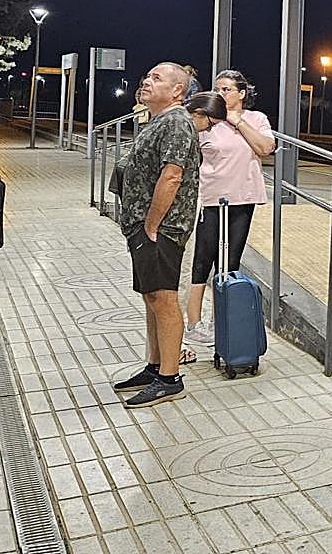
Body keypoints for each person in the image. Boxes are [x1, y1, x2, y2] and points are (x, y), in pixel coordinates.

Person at [111, 65, 223, 408]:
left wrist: (153, 225)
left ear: (178, 91)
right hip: (146, 226)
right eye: (147, 76)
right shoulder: (158, 120)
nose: (147, 80)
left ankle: (170, 378)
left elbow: (172, 176)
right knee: (151, 297)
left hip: (161, 228)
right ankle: (155, 366)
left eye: (157, 78)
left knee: (163, 297)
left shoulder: (176, 122)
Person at [182, 69, 275, 353]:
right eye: (218, 89)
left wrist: (238, 121)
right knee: (202, 262)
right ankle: (193, 324)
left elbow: (266, 148)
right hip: (211, 200)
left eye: (227, 89)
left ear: (242, 94)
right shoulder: (207, 119)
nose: (221, 94)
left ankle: (222, 321)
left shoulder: (257, 119)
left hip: (243, 198)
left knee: (230, 263)